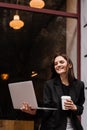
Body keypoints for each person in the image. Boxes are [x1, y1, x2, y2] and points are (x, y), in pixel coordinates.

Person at [20, 53, 85, 130]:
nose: (58, 65)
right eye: (55, 64)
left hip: (72, 127)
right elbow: (47, 108)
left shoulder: (79, 85)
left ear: (70, 65)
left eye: (61, 62)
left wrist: (74, 107)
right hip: (52, 126)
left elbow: (80, 109)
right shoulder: (49, 84)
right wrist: (35, 112)